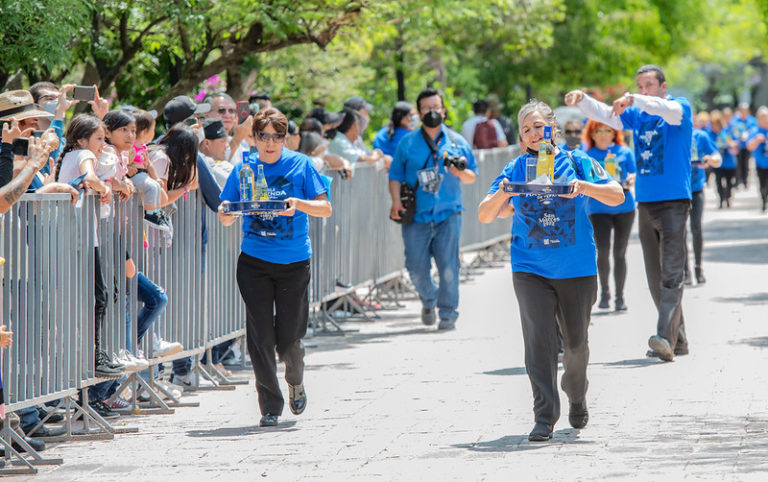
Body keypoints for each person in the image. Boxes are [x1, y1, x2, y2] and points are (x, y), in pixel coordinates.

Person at [477, 99, 623, 442]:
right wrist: (501, 194)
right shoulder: (514, 168)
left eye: (539, 126)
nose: (533, 133)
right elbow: (485, 215)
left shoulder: (578, 161)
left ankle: (577, 393)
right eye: (526, 128)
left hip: (577, 267)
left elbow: (616, 194)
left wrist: (583, 187)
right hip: (530, 268)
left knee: (575, 345)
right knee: (538, 342)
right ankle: (544, 416)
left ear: (553, 128)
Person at [565, 64, 694, 362]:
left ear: (663, 86)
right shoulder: (640, 116)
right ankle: (680, 338)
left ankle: (664, 337)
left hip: (674, 202)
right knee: (654, 275)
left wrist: (635, 98)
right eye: (639, 84)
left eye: (648, 84)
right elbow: (605, 115)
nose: (643, 89)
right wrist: (582, 99)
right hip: (645, 203)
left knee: (672, 274)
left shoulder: (678, 109)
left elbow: (664, 107)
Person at [218, 107, 332, 427]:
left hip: (294, 262)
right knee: (260, 337)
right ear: (253, 138)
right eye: (263, 136)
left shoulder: (301, 164)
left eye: (277, 136)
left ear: (285, 138)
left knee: (289, 341)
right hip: (254, 261)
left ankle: (295, 378)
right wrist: (228, 212)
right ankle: (270, 406)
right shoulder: (244, 167)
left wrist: (298, 205)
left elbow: (325, 208)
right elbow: (226, 213)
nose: (270, 143)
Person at [388, 87, 477, 330]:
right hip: (416, 215)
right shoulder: (407, 143)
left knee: (449, 265)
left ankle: (448, 313)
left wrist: (459, 171)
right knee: (415, 267)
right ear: (418, 112)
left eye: (435, 107)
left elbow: (472, 176)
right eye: (426, 108)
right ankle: (429, 299)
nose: (432, 112)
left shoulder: (457, 141)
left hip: (449, 213)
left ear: (444, 111)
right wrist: (396, 201)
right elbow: (395, 175)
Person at [583, 120, 636, 311]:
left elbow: (633, 172)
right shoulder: (587, 156)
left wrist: (631, 179)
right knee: (603, 252)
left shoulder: (624, 152)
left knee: (620, 253)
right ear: (592, 134)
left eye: (608, 130)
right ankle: (604, 293)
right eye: (599, 131)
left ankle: (620, 297)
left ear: (614, 133)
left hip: (624, 207)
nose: (604, 134)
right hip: (598, 209)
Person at [681, 126, 721, 289]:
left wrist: (710, 160)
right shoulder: (672, 135)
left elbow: (717, 157)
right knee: (680, 231)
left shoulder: (700, 136)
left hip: (697, 189)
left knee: (696, 227)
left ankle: (698, 267)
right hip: (679, 192)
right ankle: (685, 271)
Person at [710, 111, 738, 208]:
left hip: (729, 162)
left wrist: (732, 144)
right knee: (718, 182)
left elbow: (735, 141)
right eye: (713, 124)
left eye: (717, 124)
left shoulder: (727, 131)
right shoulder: (710, 134)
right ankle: (722, 199)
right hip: (717, 163)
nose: (715, 127)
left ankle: (728, 197)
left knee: (730, 182)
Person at [746, 106, 768, 212]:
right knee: (763, 185)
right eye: (762, 117)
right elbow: (749, 146)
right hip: (760, 163)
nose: (764, 120)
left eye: (766, 117)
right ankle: (764, 201)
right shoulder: (755, 131)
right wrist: (757, 140)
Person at [731, 102, 756, 189]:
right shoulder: (735, 120)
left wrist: (748, 134)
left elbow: (754, 130)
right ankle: (738, 181)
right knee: (737, 164)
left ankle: (745, 181)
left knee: (745, 164)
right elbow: (732, 130)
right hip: (737, 146)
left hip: (747, 146)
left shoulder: (751, 120)